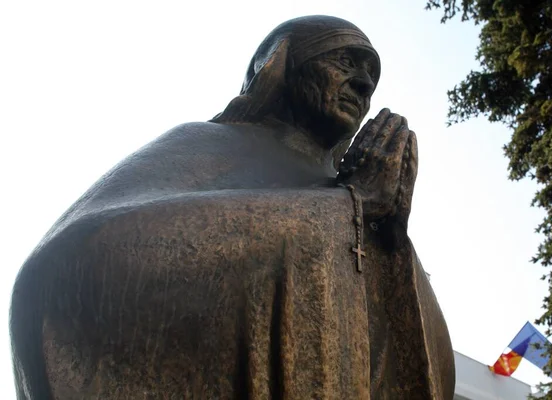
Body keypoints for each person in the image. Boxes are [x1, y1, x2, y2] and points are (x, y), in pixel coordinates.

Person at [10, 15, 455, 399]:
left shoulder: (353, 196)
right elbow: (74, 260)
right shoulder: (208, 145)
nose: (363, 84)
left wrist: (389, 240)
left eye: (371, 78)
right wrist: (345, 210)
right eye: (344, 61)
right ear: (280, 66)